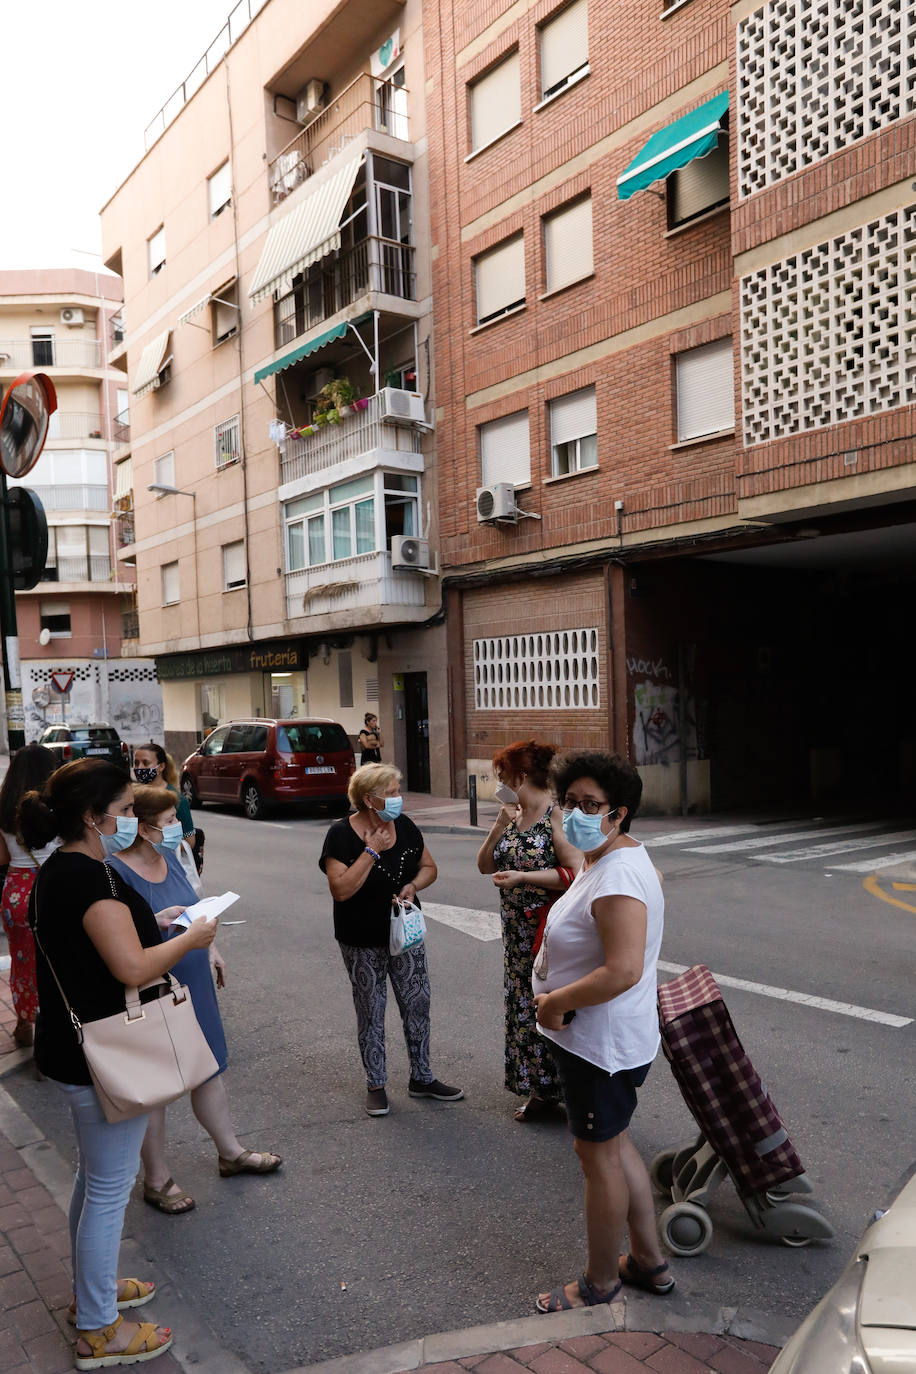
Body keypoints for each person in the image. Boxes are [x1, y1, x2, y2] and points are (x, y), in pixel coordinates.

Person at [20, 758, 218, 1368]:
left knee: (94, 1178)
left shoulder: (65, 869)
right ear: (92, 816)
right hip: (106, 1052)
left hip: (76, 1046)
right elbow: (130, 968)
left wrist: (152, 921)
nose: (134, 819)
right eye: (127, 810)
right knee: (109, 1189)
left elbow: (100, 941)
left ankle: (93, 1296)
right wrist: (190, 939)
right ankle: (100, 1328)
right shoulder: (89, 878)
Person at [531, 751, 674, 1314]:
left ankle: (599, 1284)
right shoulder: (611, 857)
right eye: (570, 803)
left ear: (620, 812)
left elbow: (624, 969)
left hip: (601, 1045)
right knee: (613, 1146)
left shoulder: (617, 876)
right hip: (609, 1041)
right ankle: (648, 1261)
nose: (577, 813)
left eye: (591, 805)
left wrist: (554, 1004)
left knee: (598, 1159)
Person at [109, 785, 281, 1214]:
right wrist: (155, 922)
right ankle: (156, 1179)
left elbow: (193, 909)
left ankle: (230, 1151)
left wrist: (212, 950)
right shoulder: (114, 872)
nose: (177, 829)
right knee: (157, 1086)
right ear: (144, 828)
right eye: (168, 822)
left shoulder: (170, 857)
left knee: (208, 1068)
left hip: (192, 978)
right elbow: (117, 936)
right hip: (152, 984)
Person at [319, 762, 463, 1117]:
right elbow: (340, 890)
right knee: (371, 1009)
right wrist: (371, 851)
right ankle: (376, 1084)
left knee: (417, 1002)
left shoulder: (406, 826)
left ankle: (422, 1077)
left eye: (398, 791)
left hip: (406, 932)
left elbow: (429, 867)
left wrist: (414, 886)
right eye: (393, 793)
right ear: (369, 799)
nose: (399, 798)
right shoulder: (340, 835)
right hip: (362, 938)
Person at [476, 741, 579, 1122]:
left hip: (546, 931)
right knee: (521, 1008)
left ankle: (568, 1087)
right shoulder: (512, 815)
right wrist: (499, 825)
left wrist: (523, 876)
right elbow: (484, 865)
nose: (497, 783)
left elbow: (573, 874)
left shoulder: (556, 817)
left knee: (549, 1006)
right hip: (514, 933)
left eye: (501, 777)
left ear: (520, 777)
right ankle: (539, 1089)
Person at [0, 743, 57, 1047]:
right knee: (59, 958)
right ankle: (58, 1020)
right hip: (55, 887)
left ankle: (25, 1022)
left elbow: (1, 859)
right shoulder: (59, 804)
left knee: (23, 961)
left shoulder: (3, 804)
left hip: (17, 893)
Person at [132, 742, 204, 873]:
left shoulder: (176, 800)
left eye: (145, 763)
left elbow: (189, 841)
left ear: (161, 767)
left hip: (167, 867)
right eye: (136, 763)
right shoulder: (132, 796)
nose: (139, 768)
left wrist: (157, 846)